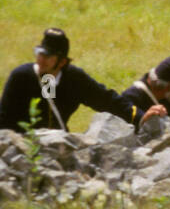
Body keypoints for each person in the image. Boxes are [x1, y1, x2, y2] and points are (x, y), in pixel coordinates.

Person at [0, 28, 136, 133]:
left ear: (62, 62)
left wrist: (140, 117)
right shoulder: (21, 77)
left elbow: (107, 101)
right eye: (39, 53)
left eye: (47, 56)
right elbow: (4, 119)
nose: (40, 60)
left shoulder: (74, 78)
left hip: (58, 147)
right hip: (22, 147)